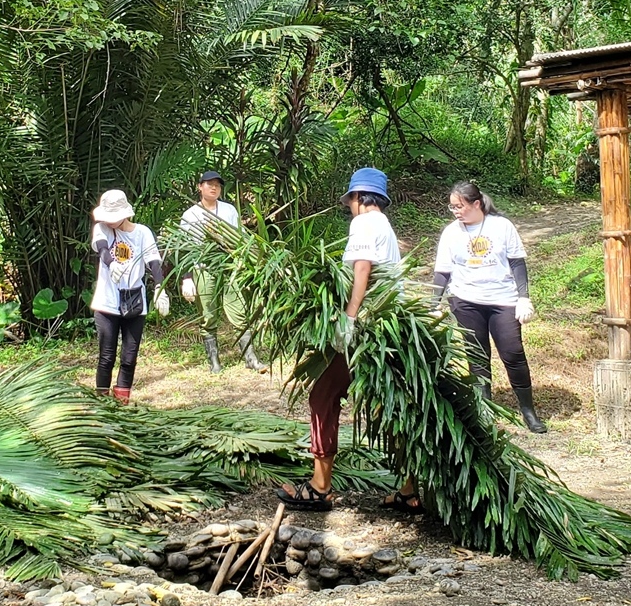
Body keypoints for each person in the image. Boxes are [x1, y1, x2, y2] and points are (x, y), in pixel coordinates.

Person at [277, 167, 399, 511]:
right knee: (393, 407)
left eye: (351, 201)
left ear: (360, 198)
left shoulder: (363, 223)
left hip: (366, 330)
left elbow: (362, 269)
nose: (350, 207)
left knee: (322, 396)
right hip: (389, 327)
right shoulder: (384, 225)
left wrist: (348, 317)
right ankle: (409, 488)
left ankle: (320, 485)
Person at [432, 181, 546, 434]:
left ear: (477, 204)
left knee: (513, 353)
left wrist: (523, 297)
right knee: (476, 356)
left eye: (460, 206)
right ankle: (484, 409)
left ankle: (528, 410)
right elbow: (443, 271)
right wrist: (433, 304)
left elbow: (517, 262)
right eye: (452, 208)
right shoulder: (451, 232)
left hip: (502, 300)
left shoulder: (501, 226)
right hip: (465, 300)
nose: (456, 212)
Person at [178, 170, 265, 373]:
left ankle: (250, 358)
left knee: (239, 311)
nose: (214, 187)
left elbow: (240, 239)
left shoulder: (228, 210)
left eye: (217, 184)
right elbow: (184, 249)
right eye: (209, 184)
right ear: (200, 187)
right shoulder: (190, 215)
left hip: (229, 267)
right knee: (208, 315)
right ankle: (214, 362)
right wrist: (187, 278)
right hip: (203, 269)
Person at [89, 189, 168, 404]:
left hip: (134, 301)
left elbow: (153, 261)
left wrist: (160, 287)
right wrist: (111, 263)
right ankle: (102, 404)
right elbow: (103, 249)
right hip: (107, 302)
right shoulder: (101, 228)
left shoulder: (142, 232)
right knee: (106, 356)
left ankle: (121, 402)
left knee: (129, 357)